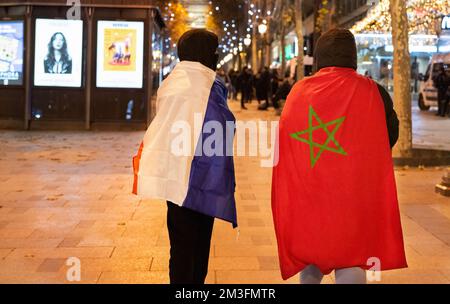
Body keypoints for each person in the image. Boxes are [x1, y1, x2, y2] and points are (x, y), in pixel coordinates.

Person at [272, 28, 407, 284]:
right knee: (352, 254)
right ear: (352, 56)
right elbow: (390, 134)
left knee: (311, 250)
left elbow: (287, 139)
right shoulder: (373, 91)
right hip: (354, 191)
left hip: (310, 191)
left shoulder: (299, 92)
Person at [132, 29, 238, 284]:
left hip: (174, 175)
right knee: (199, 245)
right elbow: (222, 124)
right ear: (205, 54)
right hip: (200, 178)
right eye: (214, 52)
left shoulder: (172, 81)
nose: (216, 56)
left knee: (180, 245)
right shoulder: (208, 85)